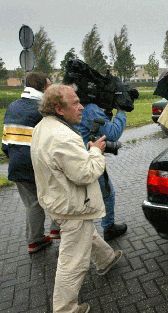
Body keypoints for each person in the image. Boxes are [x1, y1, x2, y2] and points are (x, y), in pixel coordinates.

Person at [31, 84, 123, 313]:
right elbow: (86, 173)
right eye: (75, 103)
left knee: (86, 234)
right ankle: (65, 308)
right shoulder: (63, 137)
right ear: (58, 108)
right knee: (73, 261)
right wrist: (95, 151)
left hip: (58, 200)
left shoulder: (43, 127)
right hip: (72, 206)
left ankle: (106, 259)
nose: (81, 107)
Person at [1, 72, 60, 254]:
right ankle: (57, 228)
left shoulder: (13, 107)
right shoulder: (43, 109)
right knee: (57, 194)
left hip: (16, 164)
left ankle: (35, 240)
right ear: (43, 87)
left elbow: (5, 142)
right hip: (38, 164)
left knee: (32, 203)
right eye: (50, 85)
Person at [75, 96, 128, 241]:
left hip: (74, 159)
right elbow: (112, 133)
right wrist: (121, 111)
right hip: (88, 159)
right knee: (107, 193)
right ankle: (108, 228)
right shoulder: (90, 108)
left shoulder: (64, 109)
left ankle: (60, 231)